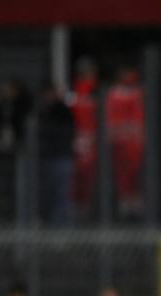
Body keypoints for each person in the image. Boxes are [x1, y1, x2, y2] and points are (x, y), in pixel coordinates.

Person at [106, 67, 145, 220]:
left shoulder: (137, 95)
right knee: (122, 174)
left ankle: (132, 204)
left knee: (135, 173)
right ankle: (125, 204)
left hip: (133, 144)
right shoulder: (115, 95)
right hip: (121, 144)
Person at [38, 83, 76, 225]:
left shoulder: (62, 111)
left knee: (62, 194)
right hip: (49, 158)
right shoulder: (43, 111)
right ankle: (51, 225)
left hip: (61, 157)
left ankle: (62, 228)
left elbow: (66, 132)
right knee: (49, 194)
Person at [69, 58, 99, 220]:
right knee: (79, 181)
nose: (87, 75)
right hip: (80, 142)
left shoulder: (97, 93)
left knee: (91, 181)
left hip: (93, 143)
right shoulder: (74, 95)